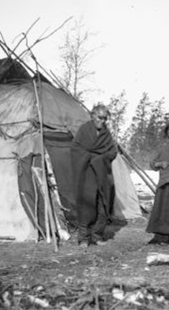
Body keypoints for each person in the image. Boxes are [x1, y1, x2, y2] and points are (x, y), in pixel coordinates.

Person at [71, 104, 118, 247]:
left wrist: (100, 159)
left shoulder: (107, 134)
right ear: (92, 116)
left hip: (102, 173)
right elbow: (76, 149)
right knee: (86, 204)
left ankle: (97, 235)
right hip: (87, 173)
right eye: (99, 118)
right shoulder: (84, 130)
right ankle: (83, 238)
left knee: (103, 204)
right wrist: (91, 158)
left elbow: (112, 152)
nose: (102, 121)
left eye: (105, 119)